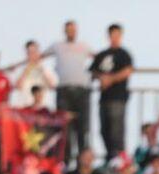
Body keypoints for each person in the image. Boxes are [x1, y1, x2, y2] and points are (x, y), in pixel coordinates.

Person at [44, 21, 95, 165]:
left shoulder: (84, 46)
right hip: (64, 91)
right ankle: (65, 163)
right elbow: (38, 57)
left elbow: (98, 59)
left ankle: (83, 163)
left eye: (73, 29)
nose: (71, 32)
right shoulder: (57, 46)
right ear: (64, 31)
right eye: (69, 29)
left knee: (82, 129)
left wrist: (94, 74)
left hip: (82, 91)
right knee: (65, 129)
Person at [91, 24, 134, 160]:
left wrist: (110, 79)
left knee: (117, 131)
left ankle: (119, 159)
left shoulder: (124, 54)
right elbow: (93, 72)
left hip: (118, 98)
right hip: (104, 98)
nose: (114, 38)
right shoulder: (102, 55)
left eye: (117, 35)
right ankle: (110, 157)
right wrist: (101, 78)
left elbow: (128, 71)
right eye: (112, 35)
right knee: (104, 130)